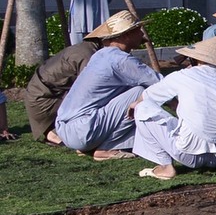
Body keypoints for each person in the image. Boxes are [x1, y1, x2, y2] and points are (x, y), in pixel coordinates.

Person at [131, 35, 216, 180]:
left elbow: (147, 96)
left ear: (197, 60)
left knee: (142, 107)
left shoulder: (182, 76)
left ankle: (166, 167)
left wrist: (134, 105)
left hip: (188, 156)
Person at [52, 10, 159, 160]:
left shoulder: (101, 55)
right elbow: (160, 84)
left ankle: (90, 146)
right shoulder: (120, 60)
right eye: (137, 30)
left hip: (67, 130)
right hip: (82, 130)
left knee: (134, 92)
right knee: (140, 93)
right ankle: (107, 147)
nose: (142, 33)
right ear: (126, 35)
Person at [23, 25, 109, 142]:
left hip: (43, 93)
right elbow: (91, 87)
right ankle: (53, 133)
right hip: (43, 98)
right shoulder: (86, 54)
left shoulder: (83, 48)